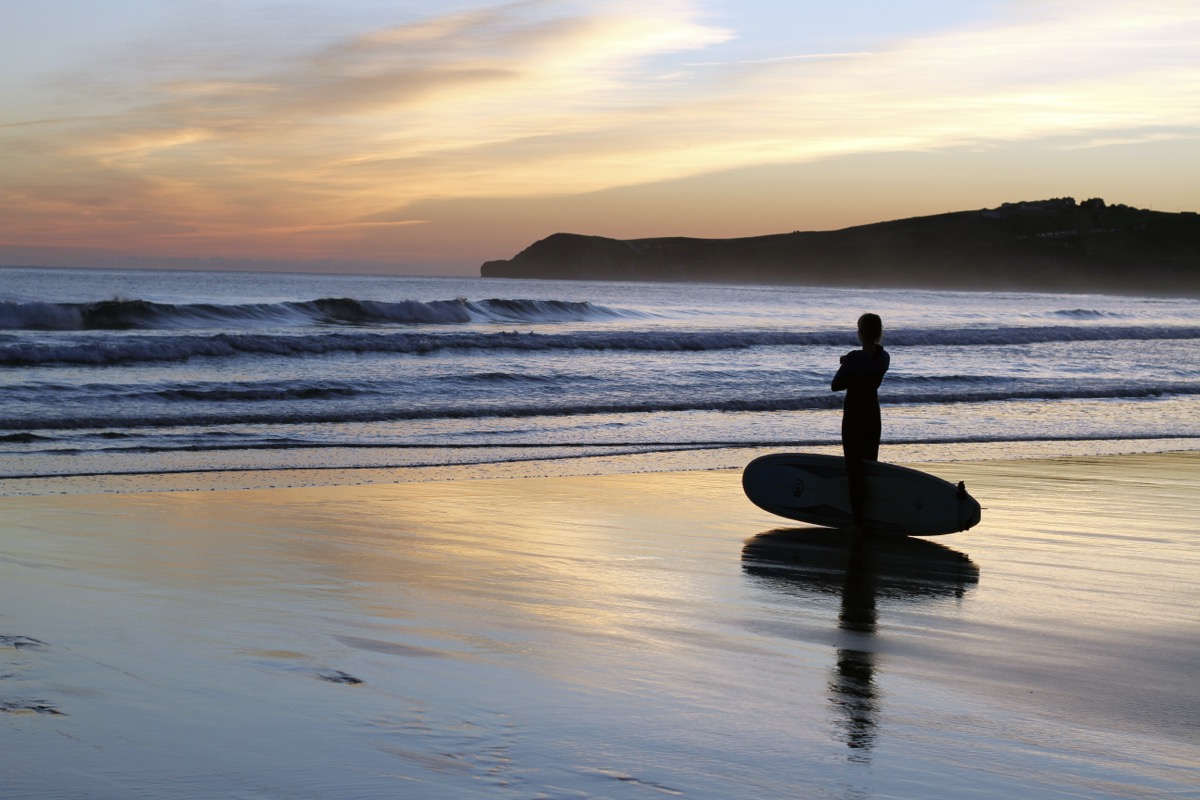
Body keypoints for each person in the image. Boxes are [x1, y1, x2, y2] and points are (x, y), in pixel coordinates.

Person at [831, 313, 889, 530]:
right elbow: (870, 371)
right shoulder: (885, 357)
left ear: (860, 332)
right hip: (873, 415)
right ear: (879, 332)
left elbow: (835, 385)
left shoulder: (853, 358)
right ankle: (871, 518)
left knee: (854, 470)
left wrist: (847, 365)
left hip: (855, 415)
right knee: (869, 466)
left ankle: (857, 522)